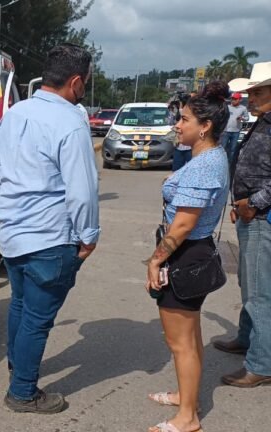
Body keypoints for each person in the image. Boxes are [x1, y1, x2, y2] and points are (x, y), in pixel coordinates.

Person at [0, 43, 99, 414]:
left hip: (13, 233)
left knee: (19, 306)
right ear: (75, 81)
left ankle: (16, 364)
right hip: (51, 238)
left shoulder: (15, 113)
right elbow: (83, 191)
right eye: (85, 81)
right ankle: (22, 392)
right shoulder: (70, 121)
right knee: (37, 319)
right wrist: (89, 237)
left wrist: (14, 209)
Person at [144, 82, 230, 432]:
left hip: (185, 253)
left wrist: (155, 260)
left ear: (204, 126)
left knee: (180, 343)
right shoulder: (211, 157)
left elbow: (181, 226)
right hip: (193, 251)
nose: (177, 125)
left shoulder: (203, 165)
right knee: (190, 336)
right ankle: (186, 395)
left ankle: (188, 418)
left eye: (184, 119)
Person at [213, 61, 271, 388]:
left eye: (258, 92)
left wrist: (254, 203)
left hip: (262, 217)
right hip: (251, 214)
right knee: (249, 285)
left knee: (261, 293)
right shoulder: (262, 121)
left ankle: (261, 363)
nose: (251, 97)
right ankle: (247, 338)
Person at [220, 92, 249, 162]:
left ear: (240, 100)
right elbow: (221, 116)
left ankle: (230, 164)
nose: (233, 100)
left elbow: (247, 118)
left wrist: (242, 118)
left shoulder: (243, 108)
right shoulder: (227, 107)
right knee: (222, 148)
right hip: (225, 131)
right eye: (232, 99)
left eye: (235, 99)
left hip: (236, 132)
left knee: (232, 150)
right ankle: (221, 162)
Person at [172, 94, 193, 171]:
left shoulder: (185, 112)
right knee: (177, 169)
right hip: (180, 147)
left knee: (188, 169)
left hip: (188, 147)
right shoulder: (181, 112)